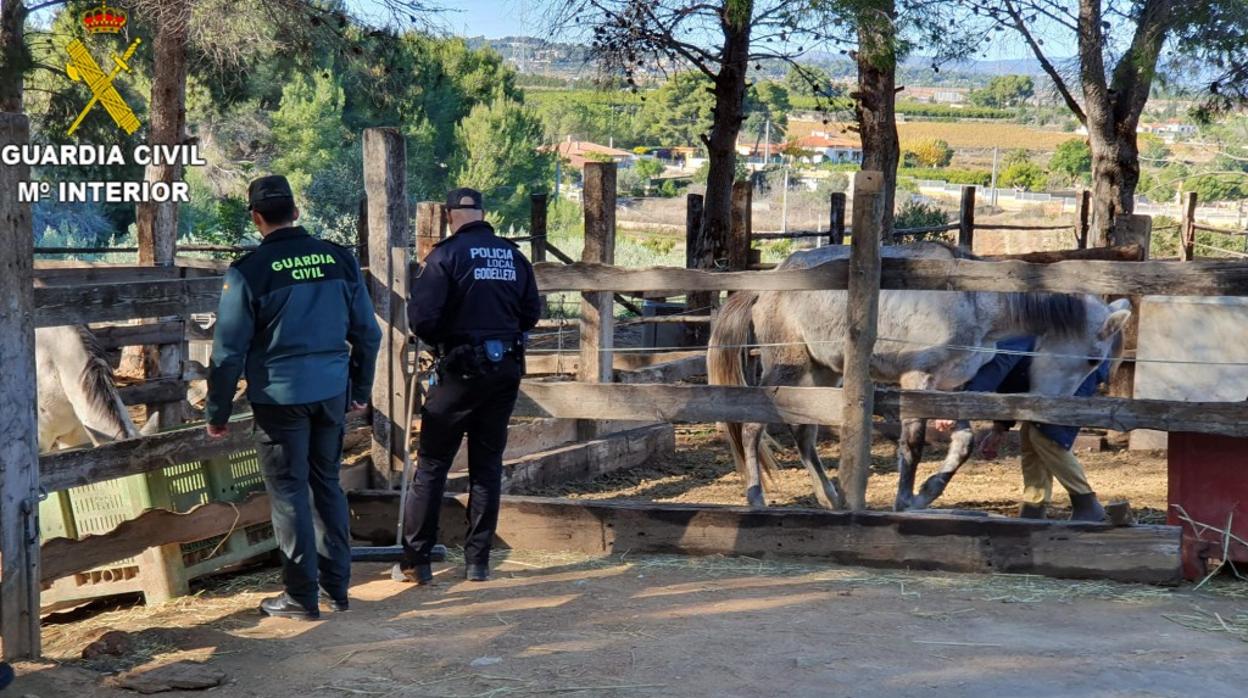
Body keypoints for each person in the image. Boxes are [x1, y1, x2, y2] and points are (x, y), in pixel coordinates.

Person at [206, 175, 382, 619]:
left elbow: (228, 353)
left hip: (279, 397)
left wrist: (218, 411)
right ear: (296, 212)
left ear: (256, 217)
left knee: (288, 493)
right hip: (330, 392)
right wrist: (359, 390)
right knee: (326, 483)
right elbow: (368, 332)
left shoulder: (248, 272)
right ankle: (337, 590)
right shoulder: (340, 260)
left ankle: (301, 596)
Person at [398, 187, 541, 584]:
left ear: (448, 217)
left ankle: (417, 561)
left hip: (459, 370)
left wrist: (452, 337)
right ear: (482, 213)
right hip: (505, 369)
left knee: (431, 466)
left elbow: (423, 321)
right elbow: (531, 314)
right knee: (486, 466)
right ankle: (477, 562)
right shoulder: (514, 256)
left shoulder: (444, 256)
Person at [932, 337, 1111, 522]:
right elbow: (1009, 379)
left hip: (1075, 373)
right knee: (1031, 435)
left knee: (1045, 436)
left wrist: (960, 408)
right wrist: (999, 427)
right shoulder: (988, 340)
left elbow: (999, 367)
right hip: (1048, 378)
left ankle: (1087, 503)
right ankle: (1034, 507)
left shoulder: (1006, 337)